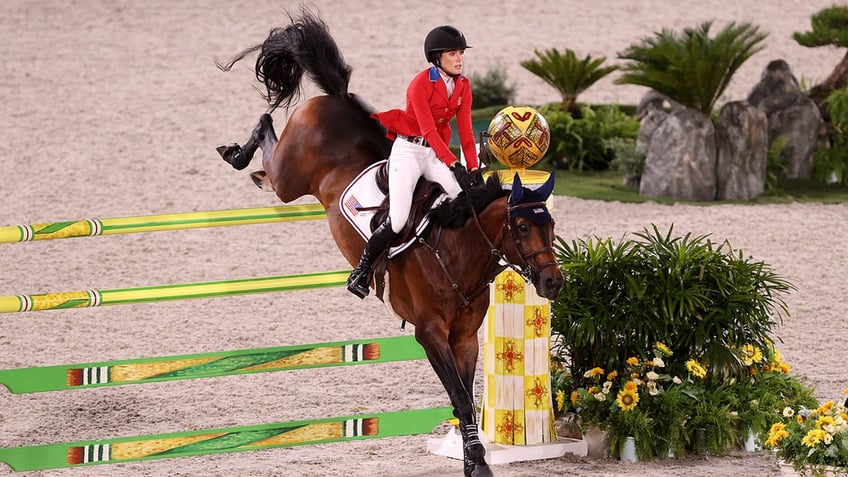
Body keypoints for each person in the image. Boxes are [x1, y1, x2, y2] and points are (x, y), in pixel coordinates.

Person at [346, 25, 479, 299]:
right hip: (409, 152)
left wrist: (473, 168)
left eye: (461, 53)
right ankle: (361, 270)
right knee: (398, 219)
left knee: (463, 199)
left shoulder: (463, 86)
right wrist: (455, 165)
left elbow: (466, 131)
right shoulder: (421, 84)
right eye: (453, 53)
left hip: (433, 155)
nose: (459, 59)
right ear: (437, 57)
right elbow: (428, 130)